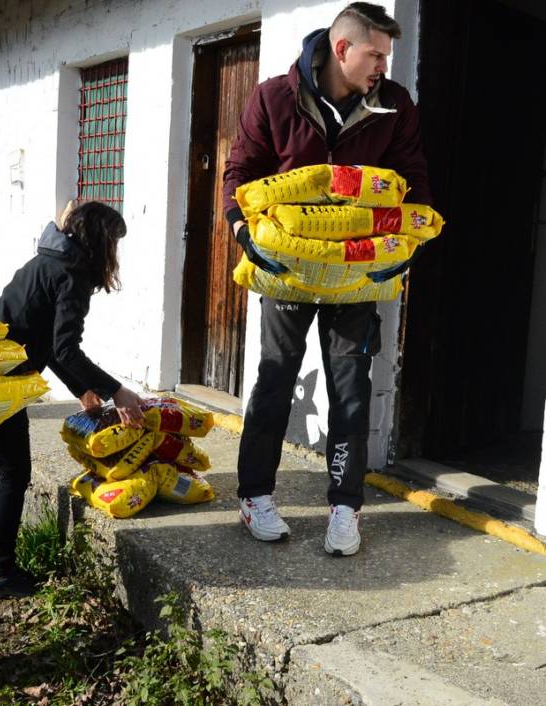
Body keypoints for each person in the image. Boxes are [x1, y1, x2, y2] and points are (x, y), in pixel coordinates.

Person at [222, 3, 432, 556]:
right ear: (343, 49)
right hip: (289, 271)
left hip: (358, 276)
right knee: (274, 381)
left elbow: (415, 182)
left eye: (386, 56)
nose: (384, 66)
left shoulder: (394, 105)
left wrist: (403, 249)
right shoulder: (274, 98)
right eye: (376, 54)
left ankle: (345, 506)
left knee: (350, 389)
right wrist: (244, 231)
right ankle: (255, 497)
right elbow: (239, 172)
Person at [0, 201, 145, 599]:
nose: (115, 255)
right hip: (0, 379)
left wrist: (81, 389)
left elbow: (49, 345)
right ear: (101, 242)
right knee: (14, 474)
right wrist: (115, 389)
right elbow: (66, 349)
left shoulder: (50, 260)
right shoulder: (73, 274)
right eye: (114, 244)